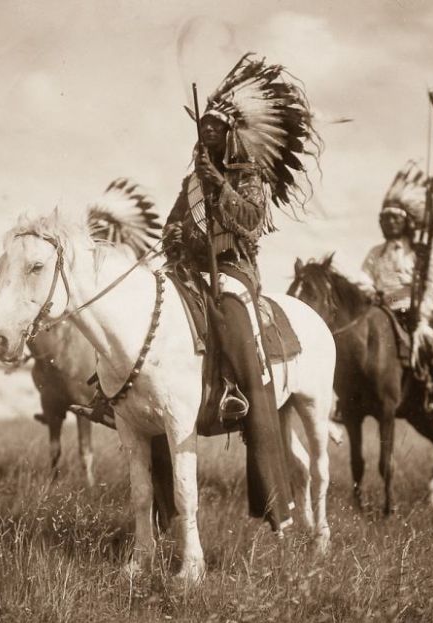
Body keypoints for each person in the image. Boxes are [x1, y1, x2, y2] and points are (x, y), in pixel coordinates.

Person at [163, 53, 321, 532]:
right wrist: (172, 249)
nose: (205, 134)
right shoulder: (191, 181)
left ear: (230, 133)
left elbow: (251, 226)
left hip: (234, 272)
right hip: (190, 272)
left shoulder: (246, 177)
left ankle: (240, 394)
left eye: (214, 128)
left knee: (232, 318)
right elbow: (172, 225)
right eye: (202, 128)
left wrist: (221, 188)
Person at [355, 161, 433, 414]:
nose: (389, 223)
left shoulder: (419, 253)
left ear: (405, 222)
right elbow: (363, 278)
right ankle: (349, 399)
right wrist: (372, 293)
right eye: (385, 219)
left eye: (394, 219)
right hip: (379, 308)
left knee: (427, 343)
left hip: (412, 311)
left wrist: (414, 297)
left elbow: (431, 284)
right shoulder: (376, 253)